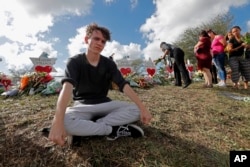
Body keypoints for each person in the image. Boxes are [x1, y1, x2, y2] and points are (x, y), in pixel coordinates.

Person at [48, 23, 152, 146]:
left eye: (103, 41)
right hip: (83, 105)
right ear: (86, 40)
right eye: (96, 39)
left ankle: (88, 127)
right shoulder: (75, 62)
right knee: (64, 121)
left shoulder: (109, 64)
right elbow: (66, 89)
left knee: (137, 110)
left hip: (105, 103)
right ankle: (112, 130)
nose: (100, 43)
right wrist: (57, 122)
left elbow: (123, 85)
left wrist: (143, 108)